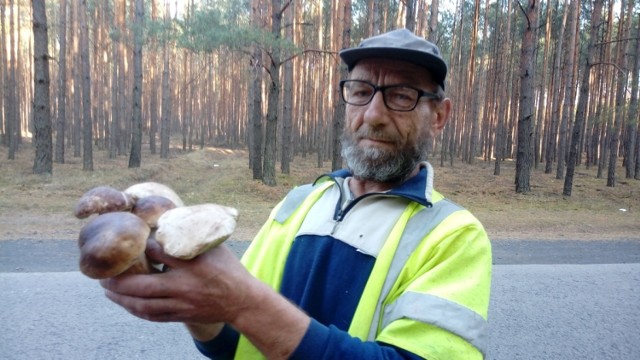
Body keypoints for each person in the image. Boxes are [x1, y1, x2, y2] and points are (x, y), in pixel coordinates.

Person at [100, 28, 492, 360]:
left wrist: (241, 302)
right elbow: (237, 341)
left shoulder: (454, 236)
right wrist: (201, 308)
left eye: (402, 95)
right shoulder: (300, 202)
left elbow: (250, 307)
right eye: (360, 91)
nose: (373, 113)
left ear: (439, 115)